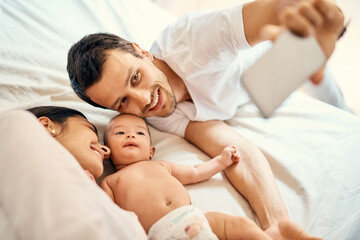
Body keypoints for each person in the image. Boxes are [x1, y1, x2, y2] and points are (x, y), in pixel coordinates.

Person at [67, 0, 344, 239]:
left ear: (140, 51)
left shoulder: (192, 42)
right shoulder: (157, 115)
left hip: (279, 56)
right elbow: (237, 150)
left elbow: (277, 8)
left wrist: (321, 16)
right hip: (250, 92)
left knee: (329, 91)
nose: (143, 100)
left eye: (136, 77)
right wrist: (276, 223)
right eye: (123, 101)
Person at [101, 113, 274, 239]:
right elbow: (108, 217)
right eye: (119, 133)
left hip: (195, 218)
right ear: (107, 151)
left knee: (240, 225)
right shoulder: (110, 182)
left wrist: (220, 161)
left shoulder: (162, 165)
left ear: (151, 151)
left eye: (139, 133)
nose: (130, 135)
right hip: (161, 234)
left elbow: (196, 172)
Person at [0, 107, 148, 239]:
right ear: (45, 126)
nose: (106, 150)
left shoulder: (112, 208)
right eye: (90, 129)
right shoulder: (15, 125)